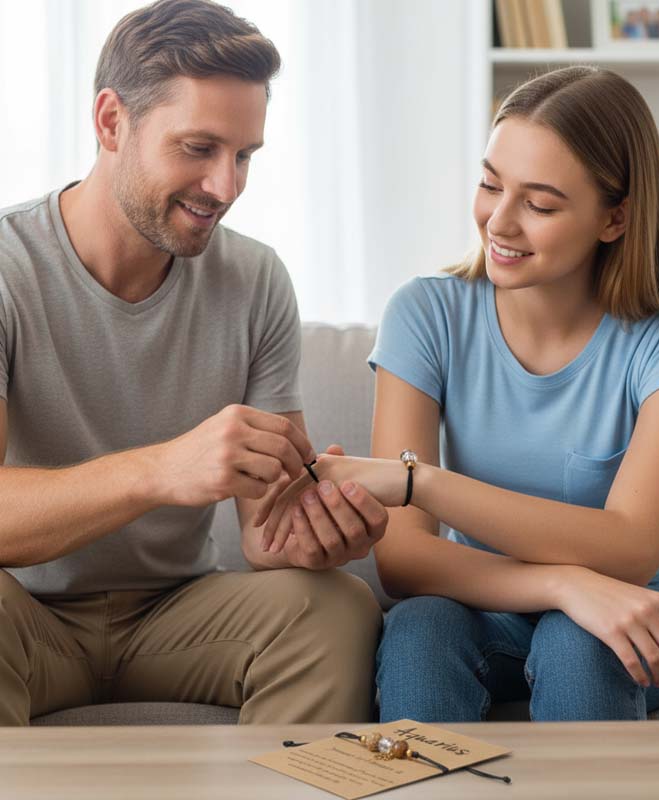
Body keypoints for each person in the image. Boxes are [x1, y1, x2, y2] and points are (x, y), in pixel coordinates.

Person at [262, 66, 659, 722]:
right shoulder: (427, 313)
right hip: (488, 605)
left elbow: (631, 548)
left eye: (539, 204)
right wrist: (563, 583)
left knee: (577, 644)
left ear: (615, 219)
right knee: (422, 628)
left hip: (640, 604)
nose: (499, 222)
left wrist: (417, 482)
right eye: (489, 185)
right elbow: (404, 560)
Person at [0, 0, 385, 727]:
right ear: (112, 122)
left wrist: (313, 533)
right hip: (23, 613)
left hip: (177, 613)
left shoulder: (256, 279)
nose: (226, 187)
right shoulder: (8, 270)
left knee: (334, 606)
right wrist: (161, 470)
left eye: (244, 156)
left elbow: (264, 536)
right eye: (199, 148)